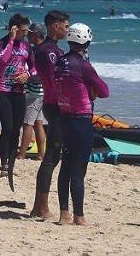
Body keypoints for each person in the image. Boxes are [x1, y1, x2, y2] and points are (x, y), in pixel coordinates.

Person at [54, 23, 109, 226]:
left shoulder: (60, 62)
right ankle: (79, 216)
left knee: (65, 167)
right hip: (81, 121)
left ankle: (63, 214)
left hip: (64, 119)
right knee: (79, 170)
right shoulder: (83, 65)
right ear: (86, 41)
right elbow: (104, 90)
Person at [30, 9, 71, 219]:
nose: (67, 29)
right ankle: (41, 208)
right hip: (55, 105)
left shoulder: (50, 49)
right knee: (51, 157)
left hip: (52, 103)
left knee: (52, 157)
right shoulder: (49, 51)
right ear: (55, 26)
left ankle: (39, 206)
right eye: (65, 26)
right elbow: (58, 80)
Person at [0, 13, 35, 172]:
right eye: (23, 31)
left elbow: (35, 67)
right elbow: (3, 60)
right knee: (7, 128)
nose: (26, 34)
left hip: (19, 92)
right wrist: (11, 39)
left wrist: (27, 75)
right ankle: (3, 163)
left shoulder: (27, 47)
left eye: (27, 30)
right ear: (14, 29)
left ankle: (11, 163)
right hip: (3, 91)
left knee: (16, 129)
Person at [18, 23, 47, 161]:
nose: (27, 35)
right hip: (42, 91)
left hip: (35, 91)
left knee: (27, 123)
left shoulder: (39, 51)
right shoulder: (43, 48)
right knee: (38, 123)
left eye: (30, 33)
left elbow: (39, 72)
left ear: (36, 34)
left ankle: (21, 154)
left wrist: (26, 75)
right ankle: (41, 153)